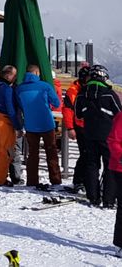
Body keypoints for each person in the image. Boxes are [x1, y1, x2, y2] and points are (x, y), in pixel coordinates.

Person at [76, 65, 120, 207]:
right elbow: (119, 114)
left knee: (91, 165)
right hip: (108, 135)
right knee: (110, 167)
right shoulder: (109, 94)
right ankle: (109, 200)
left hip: (88, 133)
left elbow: (78, 114)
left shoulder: (82, 93)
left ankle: (93, 197)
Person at [16, 64, 62, 189]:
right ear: (36, 73)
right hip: (46, 123)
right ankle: (55, 179)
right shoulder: (45, 86)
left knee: (33, 153)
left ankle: (32, 181)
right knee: (51, 151)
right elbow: (57, 103)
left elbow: (20, 105)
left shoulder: (19, 89)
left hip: (30, 125)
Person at [0, 65, 22, 186]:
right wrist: (17, 126)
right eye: (14, 75)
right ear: (8, 75)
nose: (15, 77)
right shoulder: (7, 89)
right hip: (4, 120)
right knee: (6, 152)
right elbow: (10, 109)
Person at [63, 65, 91, 192]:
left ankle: (87, 180)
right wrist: (70, 128)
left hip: (90, 127)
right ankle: (78, 181)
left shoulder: (88, 89)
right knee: (85, 154)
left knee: (90, 155)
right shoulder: (73, 90)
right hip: (79, 126)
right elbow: (68, 110)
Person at [103, 98, 122, 257]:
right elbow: (113, 140)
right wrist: (120, 156)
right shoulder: (121, 117)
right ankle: (120, 244)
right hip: (120, 167)